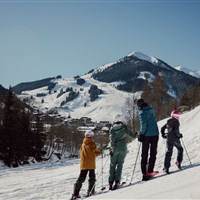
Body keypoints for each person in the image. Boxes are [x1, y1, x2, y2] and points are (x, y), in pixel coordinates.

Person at [108, 114, 138, 190]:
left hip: (115, 148)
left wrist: (111, 149)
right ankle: (117, 182)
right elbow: (132, 135)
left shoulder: (112, 129)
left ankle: (111, 183)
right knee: (120, 165)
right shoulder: (124, 127)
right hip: (123, 147)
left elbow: (112, 140)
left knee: (112, 165)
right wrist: (137, 134)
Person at [71, 130, 101, 200]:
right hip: (90, 163)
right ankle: (91, 191)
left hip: (83, 163)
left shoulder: (83, 144)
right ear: (92, 136)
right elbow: (95, 153)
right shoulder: (92, 143)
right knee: (92, 177)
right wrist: (100, 152)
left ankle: (75, 194)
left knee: (81, 178)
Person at [136, 98, 159, 181]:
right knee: (153, 153)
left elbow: (143, 124)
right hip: (155, 134)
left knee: (144, 153)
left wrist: (141, 134)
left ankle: (144, 173)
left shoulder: (142, 112)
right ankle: (150, 171)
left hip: (146, 135)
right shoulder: (151, 109)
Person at [161, 109, 183, 174]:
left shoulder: (168, 121)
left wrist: (163, 134)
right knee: (180, 149)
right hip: (175, 139)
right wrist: (179, 135)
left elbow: (162, 128)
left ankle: (166, 168)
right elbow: (176, 131)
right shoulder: (176, 121)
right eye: (178, 115)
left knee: (169, 152)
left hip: (169, 139)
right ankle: (178, 162)